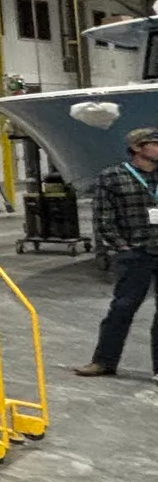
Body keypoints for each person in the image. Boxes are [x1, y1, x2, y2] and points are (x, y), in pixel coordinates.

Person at [78, 126, 158, 378]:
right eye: (155, 143)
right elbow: (103, 217)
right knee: (123, 308)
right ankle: (103, 361)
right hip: (136, 252)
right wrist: (122, 246)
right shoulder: (112, 176)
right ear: (137, 147)